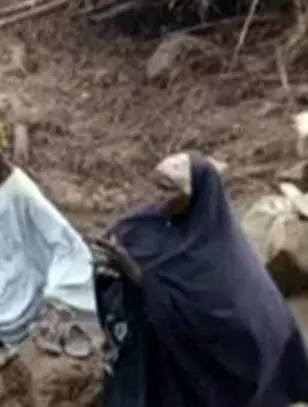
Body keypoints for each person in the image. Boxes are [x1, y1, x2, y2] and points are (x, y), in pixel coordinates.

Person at [93, 154, 308, 407]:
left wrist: (141, 279)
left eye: (170, 190)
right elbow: (121, 245)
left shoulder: (219, 255)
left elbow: (216, 322)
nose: (159, 197)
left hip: (205, 372)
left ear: (196, 195)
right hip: (157, 356)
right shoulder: (147, 223)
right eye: (158, 187)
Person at [0, 112, 96, 365]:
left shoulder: (20, 191)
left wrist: (59, 287)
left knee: (4, 318)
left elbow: (62, 238)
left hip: (15, 284)